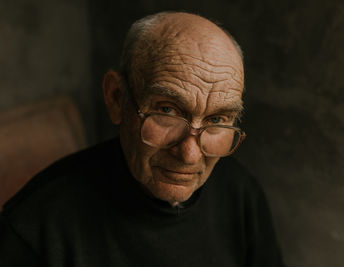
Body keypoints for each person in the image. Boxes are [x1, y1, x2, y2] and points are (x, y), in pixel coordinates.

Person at [0, 12, 284, 266]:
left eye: (217, 120)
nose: (190, 154)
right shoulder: (32, 229)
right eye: (168, 110)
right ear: (116, 98)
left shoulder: (239, 193)